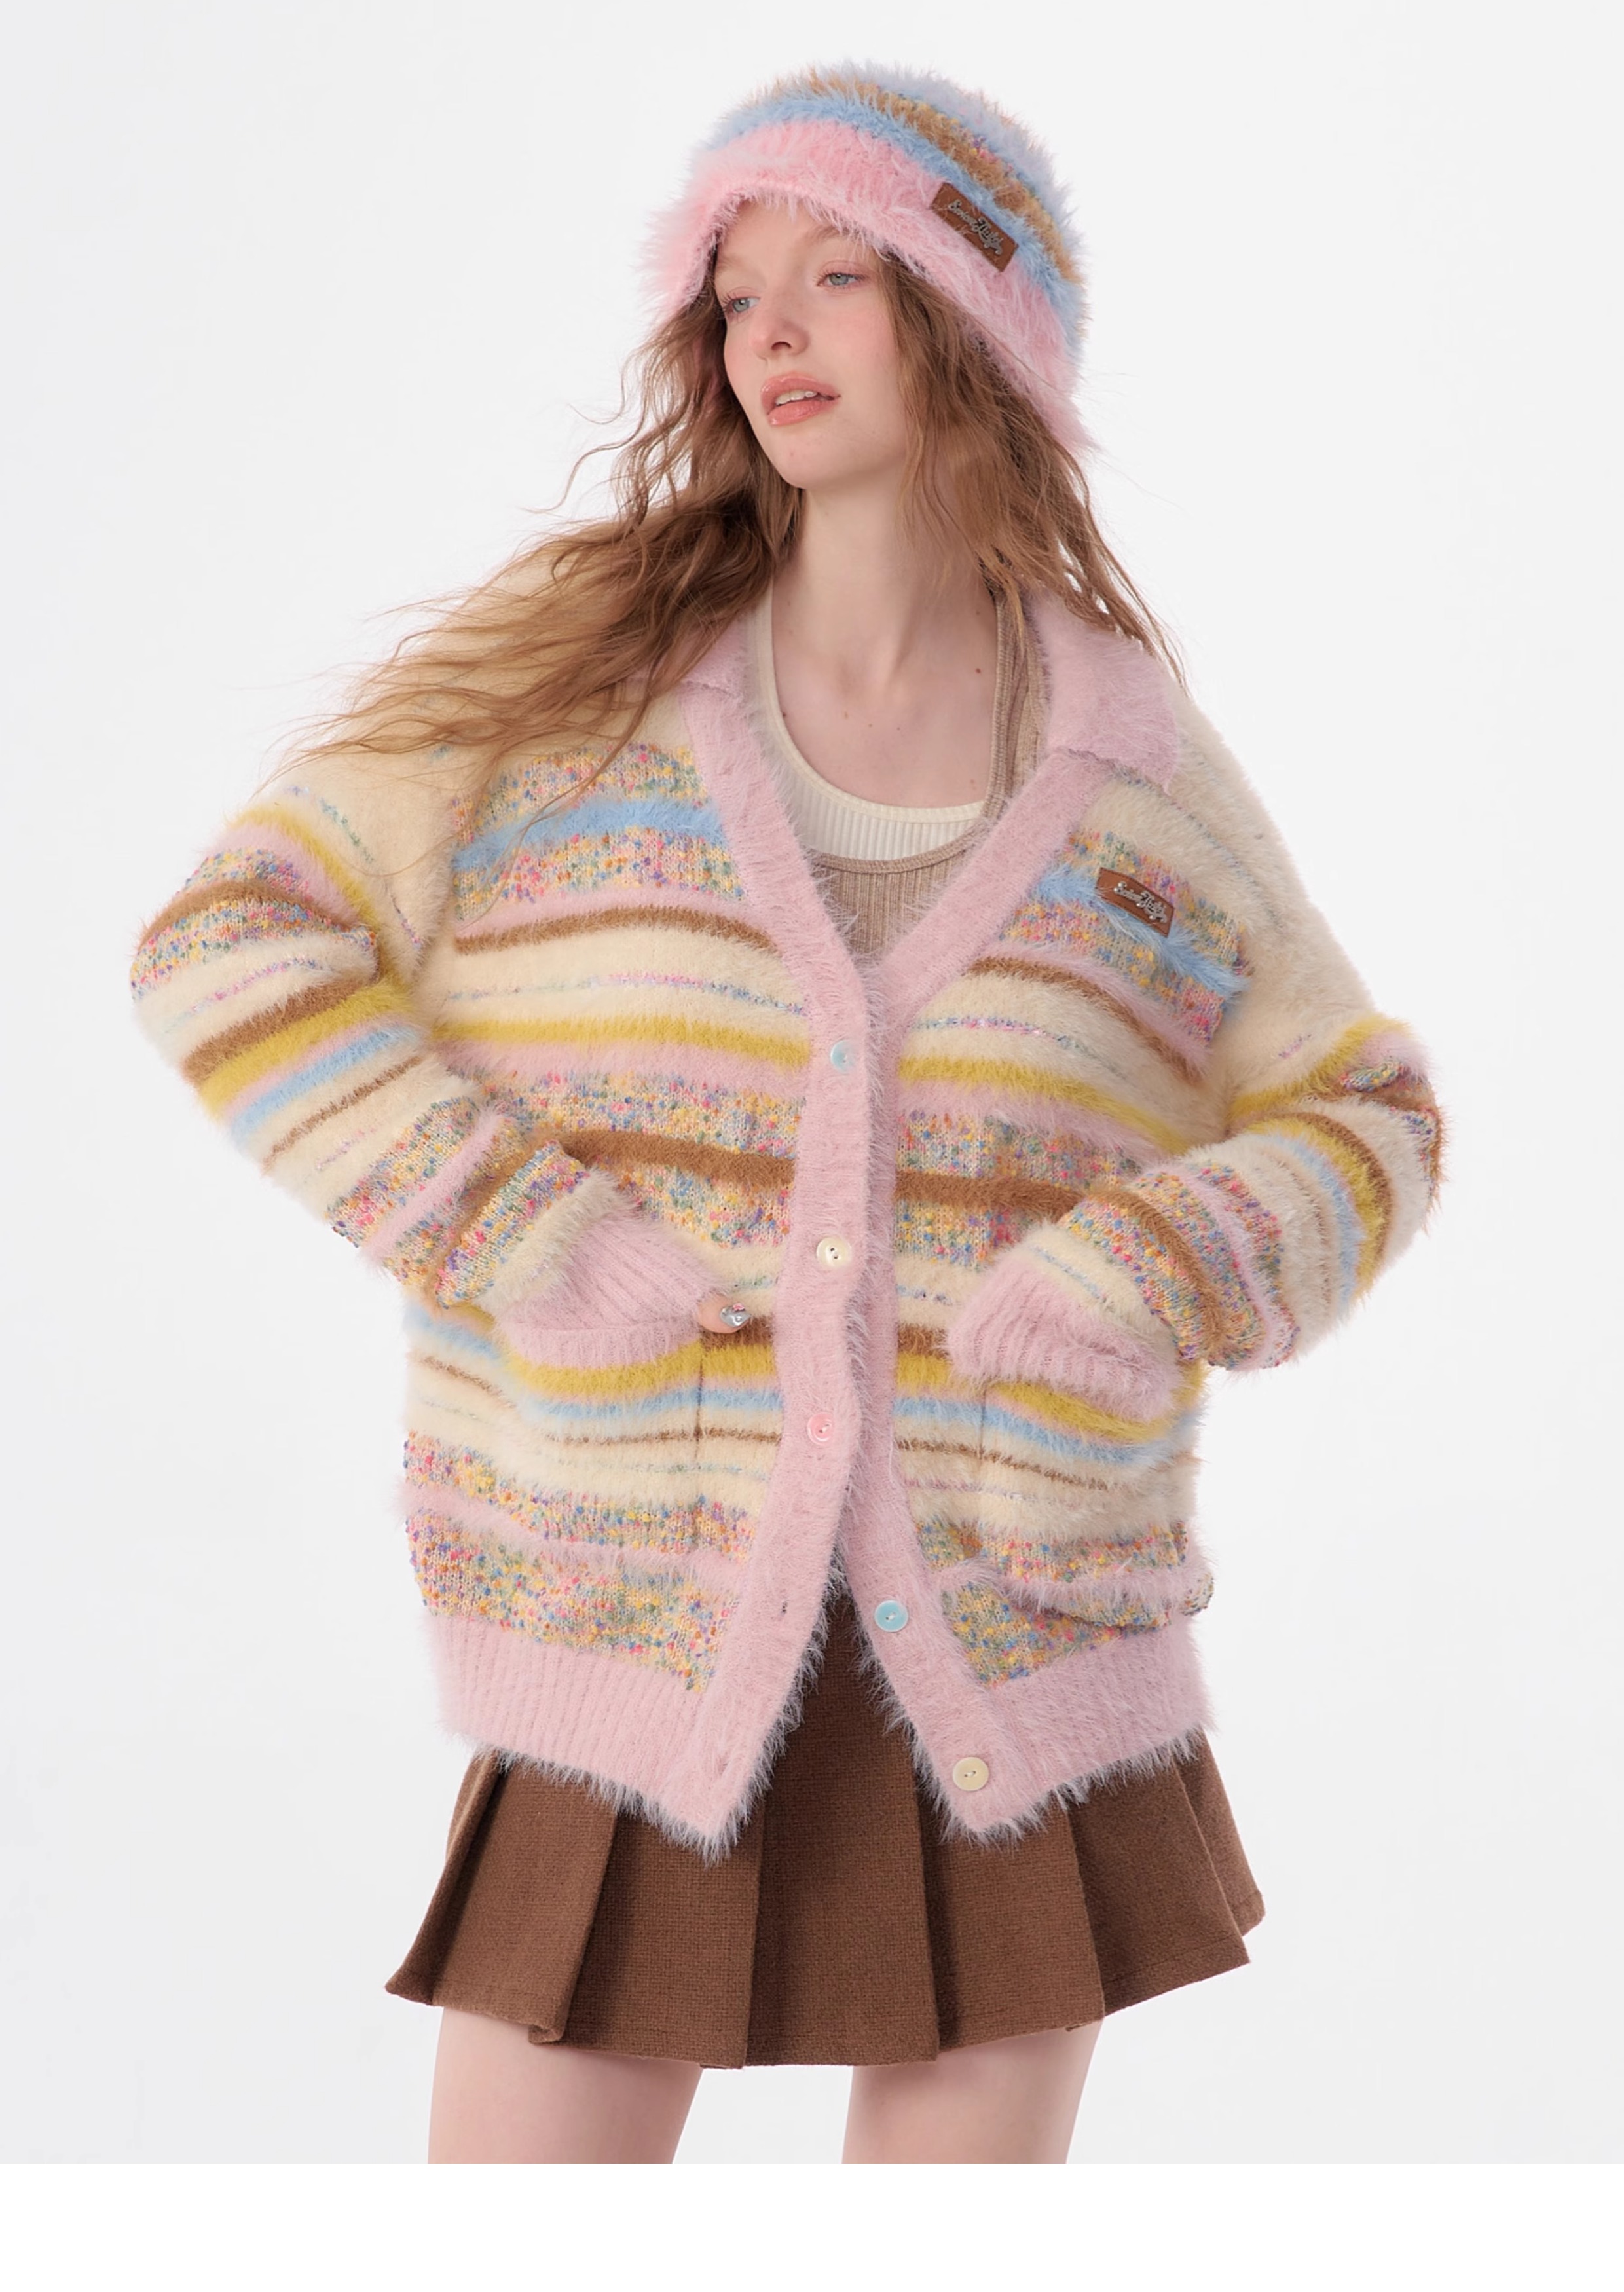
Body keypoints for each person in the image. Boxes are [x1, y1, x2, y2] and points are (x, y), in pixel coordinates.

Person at [130, 66, 1443, 2164]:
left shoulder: (1128, 762)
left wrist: (1153, 1263)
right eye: (737, 290)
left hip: (1020, 1658)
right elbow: (231, 938)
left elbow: (1363, 1109)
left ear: (983, 320)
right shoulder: (582, 675)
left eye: (842, 271)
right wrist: (518, 1229)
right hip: (632, 1617)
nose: (774, 331)